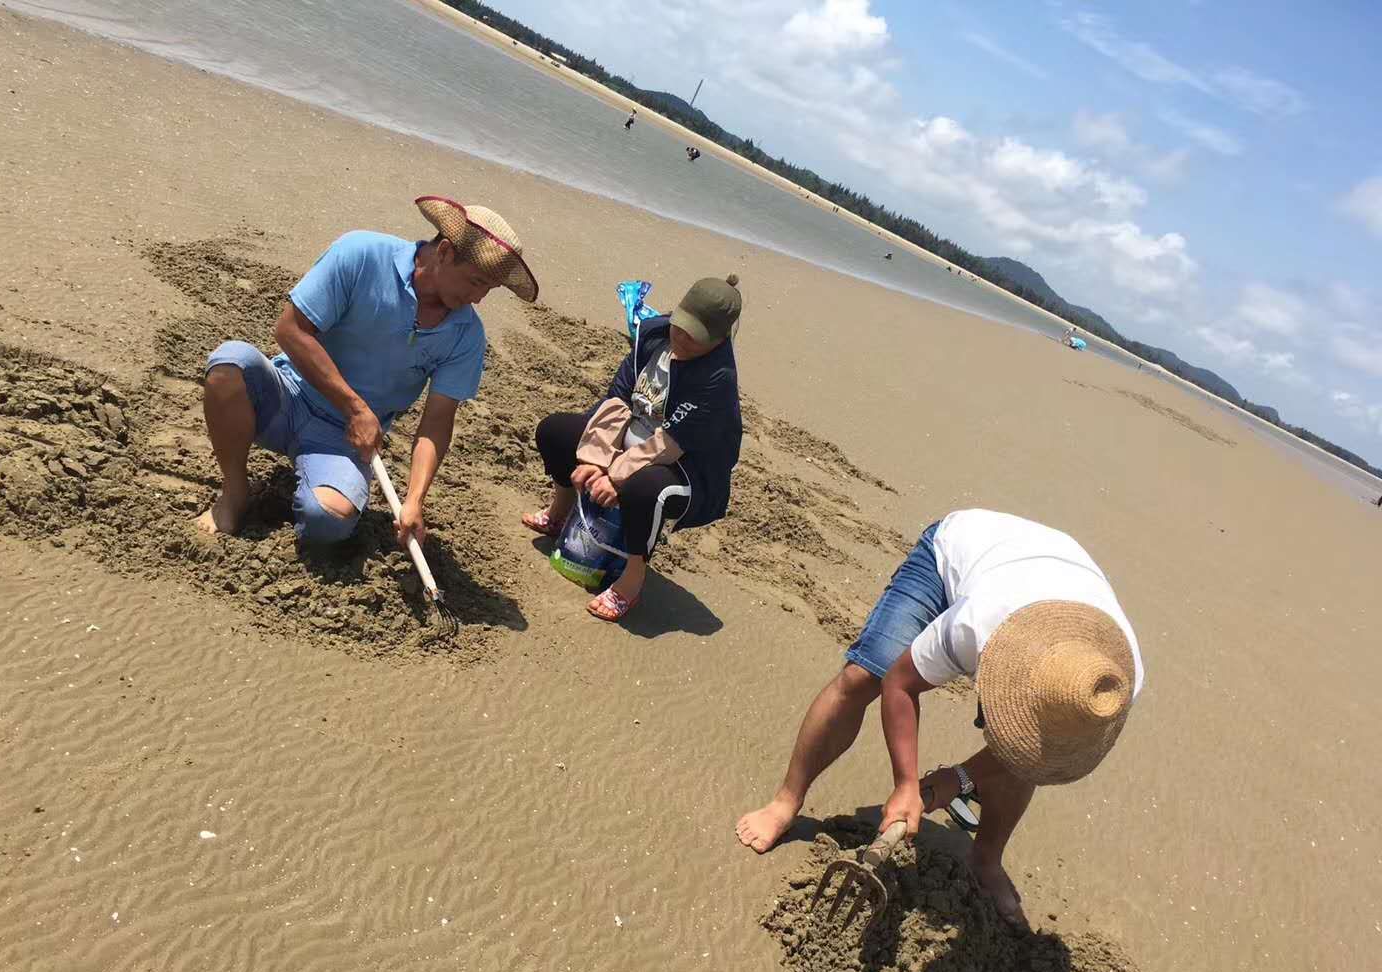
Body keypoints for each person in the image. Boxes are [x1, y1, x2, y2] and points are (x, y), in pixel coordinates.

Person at [736, 509, 1144, 926]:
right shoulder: (978, 621)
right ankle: (786, 801)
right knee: (866, 675)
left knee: (1029, 758)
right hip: (956, 553)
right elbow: (900, 683)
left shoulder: (1110, 681)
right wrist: (906, 784)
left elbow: (1036, 750)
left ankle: (986, 859)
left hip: (1051, 576)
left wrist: (958, 778)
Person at [195, 196, 537, 546]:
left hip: (344, 439)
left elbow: (437, 421)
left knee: (328, 522)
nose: (478, 299)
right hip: (286, 395)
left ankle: (312, 482)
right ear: (446, 253)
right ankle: (236, 490)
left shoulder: (467, 334)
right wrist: (355, 407)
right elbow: (290, 330)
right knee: (230, 363)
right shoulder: (361, 253)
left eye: (488, 290)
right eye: (476, 282)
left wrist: (414, 500)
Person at [524, 276, 744, 621]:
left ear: (718, 341)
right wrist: (596, 460)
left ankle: (632, 579)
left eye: (694, 336)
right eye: (680, 326)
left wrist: (617, 477)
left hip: (683, 468)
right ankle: (558, 512)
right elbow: (618, 398)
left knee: (643, 490)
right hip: (629, 438)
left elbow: (671, 442)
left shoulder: (718, 379)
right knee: (556, 431)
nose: (681, 337)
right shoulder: (653, 337)